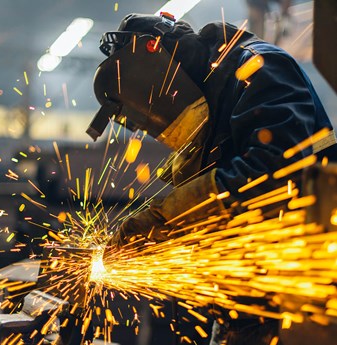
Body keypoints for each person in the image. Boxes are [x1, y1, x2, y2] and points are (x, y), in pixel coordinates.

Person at [87, 13, 337, 345]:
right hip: (246, 304)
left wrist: (164, 220)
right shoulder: (209, 93)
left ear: (155, 55)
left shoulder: (256, 68)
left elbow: (273, 174)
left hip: (303, 295)